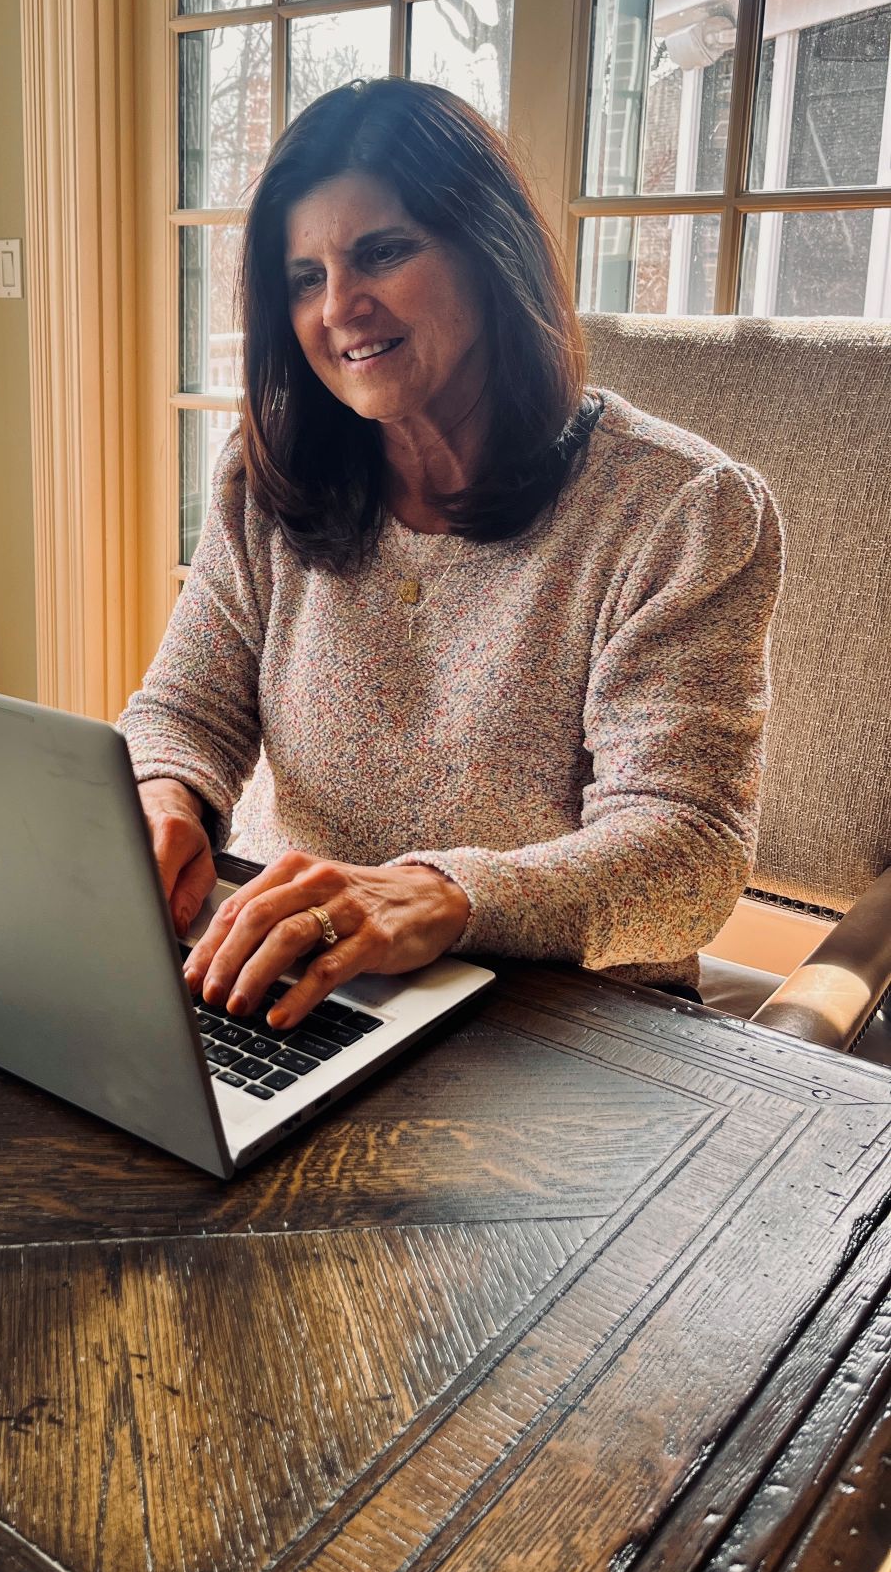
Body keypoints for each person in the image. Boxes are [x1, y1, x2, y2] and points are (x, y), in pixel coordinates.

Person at [120, 78, 783, 1033]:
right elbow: (186, 709)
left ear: (490, 252)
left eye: (382, 253)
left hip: (556, 1026)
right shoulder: (263, 478)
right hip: (297, 984)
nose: (341, 305)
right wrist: (164, 793)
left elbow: (687, 855)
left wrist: (442, 895)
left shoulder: (680, 509)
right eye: (303, 276)